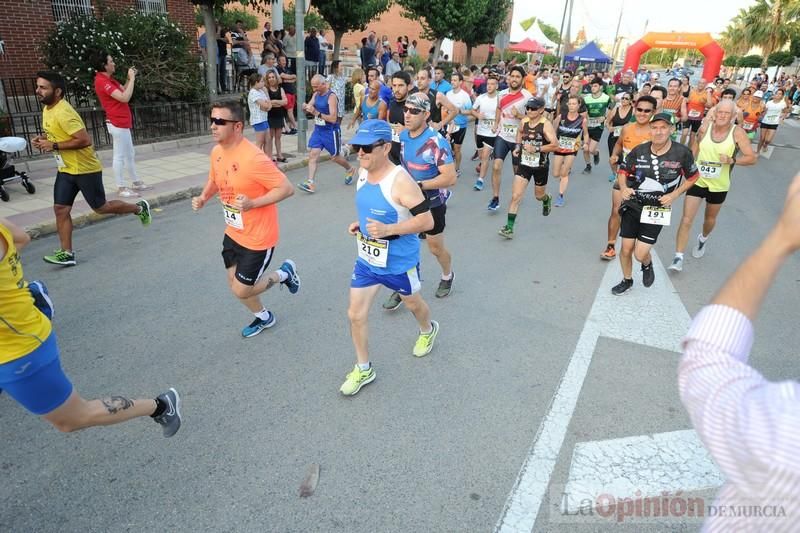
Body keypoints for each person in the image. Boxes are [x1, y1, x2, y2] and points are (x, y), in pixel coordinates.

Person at [679, 173, 800, 533]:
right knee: (687, 216)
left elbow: (707, 362)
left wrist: (783, 237)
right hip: (695, 188)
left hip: (717, 187)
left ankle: (702, 238)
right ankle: (682, 250)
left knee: (705, 219)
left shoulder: (788, 443)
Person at [0, 218, 181, 437]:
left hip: (18, 351)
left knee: (73, 418)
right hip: (18, 331)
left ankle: (160, 406)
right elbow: (21, 237)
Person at [339, 119, 439, 396]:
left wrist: (389, 230)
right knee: (355, 314)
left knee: (414, 305)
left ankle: (427, 330)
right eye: (357, 147)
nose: (360, 153)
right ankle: (363, 368)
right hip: (368, 260)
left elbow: (427, 221)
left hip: (399, 262)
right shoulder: (362, 171)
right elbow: (373, 207)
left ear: (385, 148)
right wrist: (359, 223)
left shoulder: (401, 181)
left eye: (367, 148)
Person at [191, 102, 300, 338]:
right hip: (233, 231)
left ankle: (284, 274)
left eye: (220, 122)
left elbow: (286, 188)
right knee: (234, 285)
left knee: (241, 290)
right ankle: (265, 317)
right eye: (212, 120)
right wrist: (203, 197)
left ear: (237, 126)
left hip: (258, 238)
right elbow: (214, 179)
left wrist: (253, 204)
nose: (213, 126)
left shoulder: (254, 158)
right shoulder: (217, 151)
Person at [30, 71, 151, 267]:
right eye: (38, 86)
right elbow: (57, 132)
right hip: (66, 169)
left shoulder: (64, 112)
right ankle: (67, 253)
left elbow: (84, 140)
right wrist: (44, 138)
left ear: (58, 91)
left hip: (85, 169)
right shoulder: (48, 109)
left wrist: (53, 146)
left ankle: (139, 208)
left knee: (101, 207)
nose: (38, 91)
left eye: (43, 87)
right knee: (60, 209)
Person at [611, 112, 699, 295]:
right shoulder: (640, 150)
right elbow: (623, 171)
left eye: (663, 127)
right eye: (655, 127)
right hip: (634, 204)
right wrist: (624, 187)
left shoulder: (682, 153)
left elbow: (694, 177)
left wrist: (674, 195)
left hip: (656, 209)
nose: (659, 132)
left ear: (671, 129)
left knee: (639, 253)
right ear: (650, 129)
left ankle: (646, 262)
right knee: (626, 249)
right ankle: (627, 280)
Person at [383, 92, 457, 310]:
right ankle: (404, 287)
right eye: (406, 109)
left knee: (435, 248)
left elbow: (450, 177)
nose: (407, 114)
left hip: (431, 201)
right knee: (405, 246)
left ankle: (447, 274)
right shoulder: (402, 134)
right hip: (407, 201)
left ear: (426, 114)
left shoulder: (436, 141)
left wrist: (419, 186)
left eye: (414, 111)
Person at [668, 99, 757, 272]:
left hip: (719, 184)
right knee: (686, 219)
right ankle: (678, 257)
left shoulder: (737, 133)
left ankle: (703, 238)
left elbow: (752, 158)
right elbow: (695, 147)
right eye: (720, 112)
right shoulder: (705, 128)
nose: (722, 115)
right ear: (715, 113)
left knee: (709, 220)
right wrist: (687, 167)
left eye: (727, 113)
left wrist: (732, 160)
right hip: (698, 180)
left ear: (732, 116)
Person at [92, 51, 150, 198]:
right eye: (111, 61)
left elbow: (122, 90)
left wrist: (129, 79)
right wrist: (132, 79)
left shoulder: (110, 80)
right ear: (104, 65)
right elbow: (124, 97)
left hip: (122, 121)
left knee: (129, 153)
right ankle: (121, 187)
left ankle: (135, 181)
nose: (114, 63)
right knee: (119, 156)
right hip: (116, 122)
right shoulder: (102, 82)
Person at [498, 97, 557, 239]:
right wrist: (517, 147)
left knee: (538, 196)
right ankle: (509, 228)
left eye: (533, 108)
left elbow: (555, 145)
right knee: (515, 196)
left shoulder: (545, 125)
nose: (529, 110)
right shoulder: (524, 121)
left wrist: (536, 148)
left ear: (541, 110)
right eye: (528, 108)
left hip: (540, 166)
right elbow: (519, 133)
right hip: (524, 163)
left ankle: (546, 199)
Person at [297, 75, 356, 193]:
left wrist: (316, 113)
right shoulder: (316, 95)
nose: (314, 90)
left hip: (331, 132)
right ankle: (310, 183)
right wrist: (305, 107)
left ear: (323, 84)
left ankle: (350, 169)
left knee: (335, 157)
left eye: (316, 87)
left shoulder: (331, 97)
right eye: (313, 87)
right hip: (318, 130)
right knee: (313, 154)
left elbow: (333, 119)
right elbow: (309, 107)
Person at [488, 66, 531, 211]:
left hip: (519, 138)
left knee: (517, 171)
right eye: (512, 76)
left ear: (522, 79)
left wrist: (519, 116)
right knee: (496, 166)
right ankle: (495, 198)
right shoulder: (502, 93)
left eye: (517, 76)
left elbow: (534, 117)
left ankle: (517, 194)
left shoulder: (527, 96)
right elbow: (499, 109)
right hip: (502, 136)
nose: (514, 79)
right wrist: (495, 123)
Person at [551, 95, 589, 207]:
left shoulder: (582, 120)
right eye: (570, 104)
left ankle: (560, 195)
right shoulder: (561, 117)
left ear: (578, 105)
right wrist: (551, 142)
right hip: (559, 147)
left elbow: (586, 134)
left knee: (564, 173)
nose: (572, 106)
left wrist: (586, 143)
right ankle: (562, 175)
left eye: (574, 104)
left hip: (572, 149)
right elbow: (552, 131)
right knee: (555, 173)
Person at [471, 74, 499, 191]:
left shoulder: (500, 98)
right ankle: (485, 162)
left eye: (492, 84)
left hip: (492, 132)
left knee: (485, 156)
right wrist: (478, 115)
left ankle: (480, 180)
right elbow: (473, 110)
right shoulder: (481, 98)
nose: (489, 86)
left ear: (497, 86)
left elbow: (502, 113)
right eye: (488, 84)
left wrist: (497, 124)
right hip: (481, 131)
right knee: (482, 156)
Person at [581, 77, 614, 174]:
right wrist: (585, 118)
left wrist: (605, 117)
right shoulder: (586, 98)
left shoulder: (606, 98)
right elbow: (583, 110)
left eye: (595, 86)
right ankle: (588, 166)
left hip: (598, 126)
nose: (593, 88)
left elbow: (612, 108)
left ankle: (596, 153)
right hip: (588, 125)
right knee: (585, 148)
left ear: (600, 87)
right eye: (592, 86)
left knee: (591, 149)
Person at [444, 71, 473, 175]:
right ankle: (447, 168)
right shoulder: (448, 94)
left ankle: (457, 168)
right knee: (446, 148)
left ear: (460, 82)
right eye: (452, 80)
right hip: (448, 125)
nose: (452, 82)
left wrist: (459, 111)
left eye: (455, 80)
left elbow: (471, 111)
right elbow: (445, 108)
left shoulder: (465, 96)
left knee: (457, 149)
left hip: (460, 126)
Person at [604, 91, 633, 183]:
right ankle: (614, 173)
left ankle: (623, 175)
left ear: (630, 101)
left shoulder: (634, 111)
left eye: (626, 99)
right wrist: (609, 128)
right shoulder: (616, 109)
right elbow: (607, 122)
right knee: (613, 158)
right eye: (623, 98)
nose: (624, 100)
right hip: (614, 137)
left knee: (625, 158)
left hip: (627, 138)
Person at [387, 71, 412, 165]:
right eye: (394, 85)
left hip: (409, 159)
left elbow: (425, 133)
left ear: (408, 86)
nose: (396, 89)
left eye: (401, 85)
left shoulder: (414, 106)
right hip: (392, 157)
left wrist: (406, 130)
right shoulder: (392, 103)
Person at [264, 71, 288, 162]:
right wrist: (278, 102)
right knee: (270, 137)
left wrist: (274, 102)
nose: (271, 79)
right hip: (270, 116)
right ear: (267, 79)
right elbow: (267, 103)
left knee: (278, 136)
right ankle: (269, 155)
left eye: (273, 77)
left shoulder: (280, 89)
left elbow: (285, 102)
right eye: (269, 77)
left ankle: (279, 155)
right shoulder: (266, 89)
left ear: (276, 78)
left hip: (279, 115)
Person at [757, 88, 790, 154]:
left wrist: (783, 117)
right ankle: (757, 152)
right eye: (777, 93)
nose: (778, 95)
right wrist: (759, 116)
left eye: (780, 94)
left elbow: (786, 111)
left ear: (782, 96)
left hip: (774, 123)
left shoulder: (783, 103)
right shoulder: (769, 102)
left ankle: (765, 145)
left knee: (767, 140)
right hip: (765, 122)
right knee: (762, 138)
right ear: (774, 94)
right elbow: (764, 112)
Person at [246, 73, 271, 153]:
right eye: (262, 81)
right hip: (258, 120)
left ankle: (267, 159)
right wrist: (268, 104)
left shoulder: (261, 91)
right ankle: (257, 161)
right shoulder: (253, 92)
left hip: (264, 118)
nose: (264, 83)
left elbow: (268, 105)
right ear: (256, 82)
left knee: (268, 140)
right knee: (260, 142)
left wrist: (268, 102)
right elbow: (265, 105)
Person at [683, 78, 711, 146]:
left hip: (698, 118)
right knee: (685, 133)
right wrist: (685, 100)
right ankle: (680, 147)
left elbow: (710, 105)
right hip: (688, 116)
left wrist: (705, 102)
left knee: (692, 135)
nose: (701, 84)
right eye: (700, 83)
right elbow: (688, 100)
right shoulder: (692, 91)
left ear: (706, 85)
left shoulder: (707, 93)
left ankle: (688, 150)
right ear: (698, 83)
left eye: (703, 83)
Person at [276, 54, 298, 135]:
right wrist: (290, 77)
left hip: (292, 91)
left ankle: (291, 126)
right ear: (278, 61)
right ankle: (295, 126)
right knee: (289, 111)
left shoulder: (287, 68)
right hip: (286, 92)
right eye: (282, 60)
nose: (284, 62)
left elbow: (295, 78)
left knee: (290, 110)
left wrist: (289, 78)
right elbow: (283, 76)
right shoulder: (277, 69)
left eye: (285, 60)